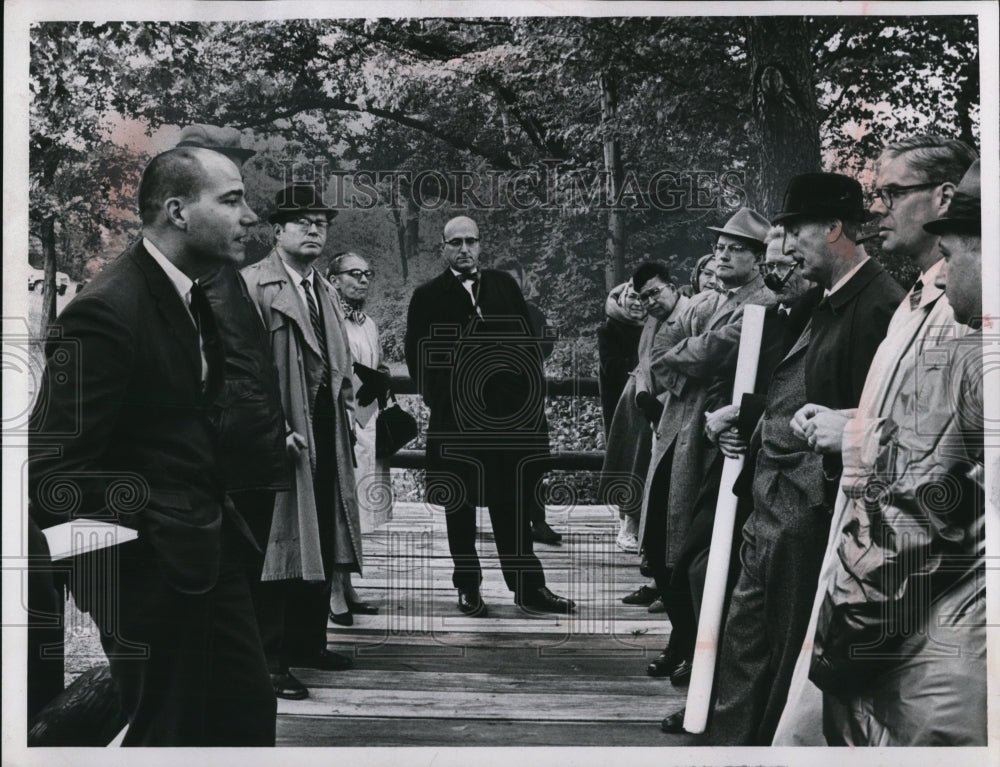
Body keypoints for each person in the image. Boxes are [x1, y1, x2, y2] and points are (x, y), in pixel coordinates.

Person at [28, 146, 276, 745]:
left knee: (245, 715)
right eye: (231, 200)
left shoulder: (189, 292)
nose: (250, 216)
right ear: (178, 211)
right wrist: (152, 540)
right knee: (172, 733)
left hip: (208, 552)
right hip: (150, 571)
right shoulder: (106, 312)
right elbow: (52, 472)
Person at [772, 137, 978, 745]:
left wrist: (855, 432)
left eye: (891, 193)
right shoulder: (917, 300)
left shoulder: (964, 307)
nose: (877, 209)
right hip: (877, 560)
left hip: (918, 586)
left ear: (944, 197)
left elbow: (953, 457)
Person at [704, 173, 904, 744]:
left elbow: (875, 428)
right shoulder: (830, 299)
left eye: (796, 232)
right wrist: (748, 419)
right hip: (771, 506)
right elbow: (796, 398)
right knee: (744, 643)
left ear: (835, 228)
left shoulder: (881, 307)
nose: (786, 247)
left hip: (812, 518)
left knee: (788, 658)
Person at [404, 215, 575, 616]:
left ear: (480, 245)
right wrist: (448, 400)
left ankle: (528, 588)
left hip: (507, 421)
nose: (464, 249)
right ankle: (468, 586)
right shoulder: (427, 296)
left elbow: (529, 349)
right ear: (443, 248)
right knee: (459, 505)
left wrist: (525, 404)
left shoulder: (503, 285)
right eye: (456, 242)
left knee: (511, 503)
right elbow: (419, 360)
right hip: (457, 422)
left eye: (471, 241)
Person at [639, 208, 774, 705]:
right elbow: (668, 342)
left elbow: (711, 351)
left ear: (759, 259)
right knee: (659, 537)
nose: (722, 255)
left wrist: (676, 358)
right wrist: (681, 355)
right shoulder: (714, 300)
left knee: (687, 547)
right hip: (679, 427)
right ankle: (682, 640)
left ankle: (692, 647)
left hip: (707, 436)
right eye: (719, 247)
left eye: (736, 248)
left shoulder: (761, 302)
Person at [241, 184, 362, 700]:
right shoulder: (253, 285)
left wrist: (348, 411)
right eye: (303, 222)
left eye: (322, 223)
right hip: (281, 437)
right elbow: (242, 372)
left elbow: (339, 365)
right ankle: (269, 661)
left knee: (323, 536)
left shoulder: (324, 290)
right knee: (278, 545)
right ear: (277, 231)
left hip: (325, 432)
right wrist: (272, 428)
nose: (315, 230)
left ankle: (308, 643)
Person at [186, 125, 290, 560]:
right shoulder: (188, 272)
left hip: (252, 461)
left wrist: (277, 430)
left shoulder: (223, 265)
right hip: (223, 469)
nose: (244, 211)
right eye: (227, 197)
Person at [326, 251, 388, 625]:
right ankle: (333, 590)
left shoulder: (370, 325)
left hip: (367, 420)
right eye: (354, 273)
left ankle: (347, 585)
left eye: (367, 273)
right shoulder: (327, 321)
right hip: (339, 423)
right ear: (334, 280)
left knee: (356, 508)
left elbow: (374, 367)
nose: (363, 280)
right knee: (338, 505)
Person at [494, 256, 562, 545]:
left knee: (533, 462)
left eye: (515, 279)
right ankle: (506, 521)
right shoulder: (484, 314)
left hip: (530, 400)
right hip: (496, 404)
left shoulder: (533, 313)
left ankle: (538, 521)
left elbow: (544, 347)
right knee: (498, 464)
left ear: (522, 282)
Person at [596, 279, 648, 554]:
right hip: (620, 402)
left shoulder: (656, 325)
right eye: (632, 297)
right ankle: (626, 522)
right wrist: (644, 366)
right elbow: (611, 366)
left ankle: (641, 521)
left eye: (642, 298)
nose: (637, 303)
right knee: (624, 455)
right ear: (622, 299)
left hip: (647, 400)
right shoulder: (609, 329)